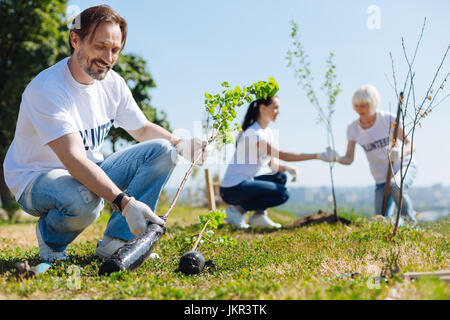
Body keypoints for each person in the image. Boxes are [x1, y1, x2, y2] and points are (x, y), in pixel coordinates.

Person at [3, 5, 209, 262]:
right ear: (75, 39)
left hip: (87, 169)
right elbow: (74, 161)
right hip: (35, 179)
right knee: (85, 199)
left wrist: (180, 143)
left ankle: (118, 242)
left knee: (163, 151)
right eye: (100, 46)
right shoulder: (47, 89)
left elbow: (142, 128)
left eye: (115, 50)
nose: (108, 58)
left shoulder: (113, 84)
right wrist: (124, 202)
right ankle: (51, 240)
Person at [219, 96, 337, 229]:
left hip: (244, 183)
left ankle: (258, 216)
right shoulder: (254, 132)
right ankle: (237, 211)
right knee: (282, 194)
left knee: (280, 177)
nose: (278, 112)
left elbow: (273, 166)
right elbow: (283, 154)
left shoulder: (267, 132)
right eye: (275, 108)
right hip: (232, 189)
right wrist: (318, 156)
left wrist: (288, 168)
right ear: (263, 109)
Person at [333, 85, 417, 225]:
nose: (360, 110)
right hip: (381, 177)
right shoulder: (353, 128)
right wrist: (335, 158)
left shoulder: (388, 119)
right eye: (357, 106)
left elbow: (411, 144)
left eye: (364, 106)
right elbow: (349, 158)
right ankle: (400, 227)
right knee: (380, 220)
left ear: (373, 104)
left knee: (396, 186)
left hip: (402, 166)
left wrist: (401, 153)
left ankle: (411, 223)